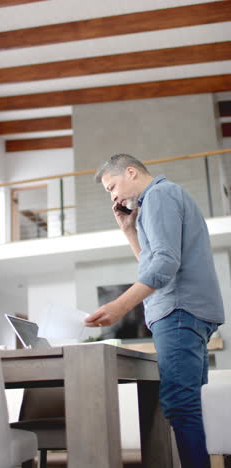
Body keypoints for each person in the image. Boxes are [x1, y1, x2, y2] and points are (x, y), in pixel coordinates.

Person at [85, 153, 225, 468]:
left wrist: (120, 306)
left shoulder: (159, 195)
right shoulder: (158, 201)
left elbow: (164, 265)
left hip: (178, 311)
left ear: (131, 172)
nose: (113, 195)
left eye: (112, 186)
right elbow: (154, 263)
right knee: (193, 404)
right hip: (188, 312)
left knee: (180, 406)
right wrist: (128, 230)